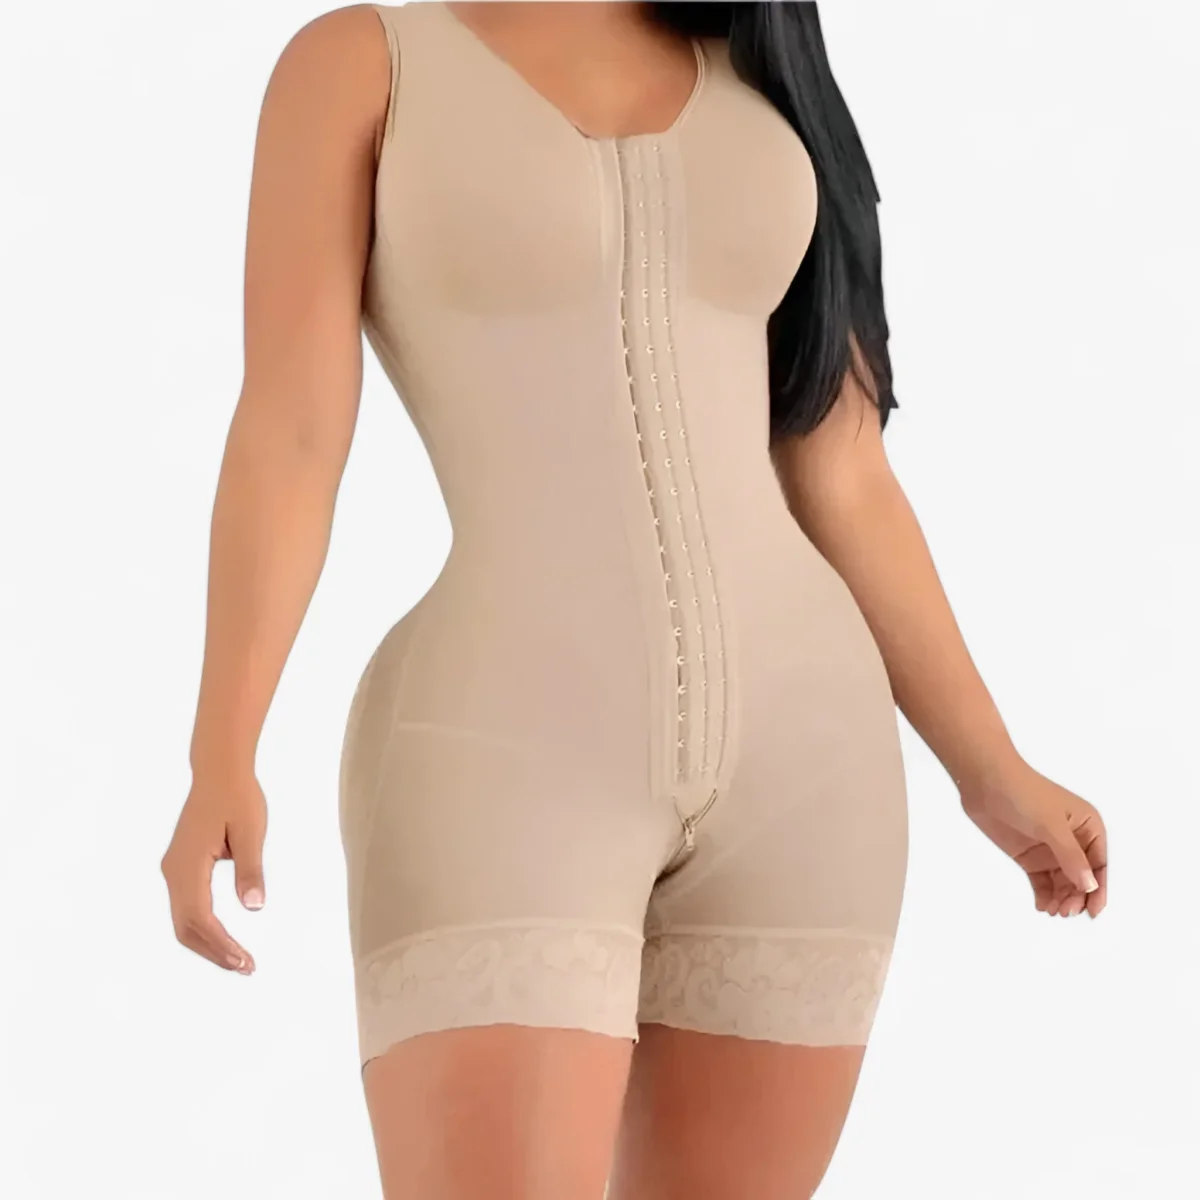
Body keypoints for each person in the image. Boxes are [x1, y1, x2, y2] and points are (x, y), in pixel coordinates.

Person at [160, 3, 1109, 1196]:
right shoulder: (363, 62)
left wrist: (990, 765)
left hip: (813, 765)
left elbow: (847, 473)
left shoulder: (766, 64)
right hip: (502, 747)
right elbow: (292, 433)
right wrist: (222, 748)